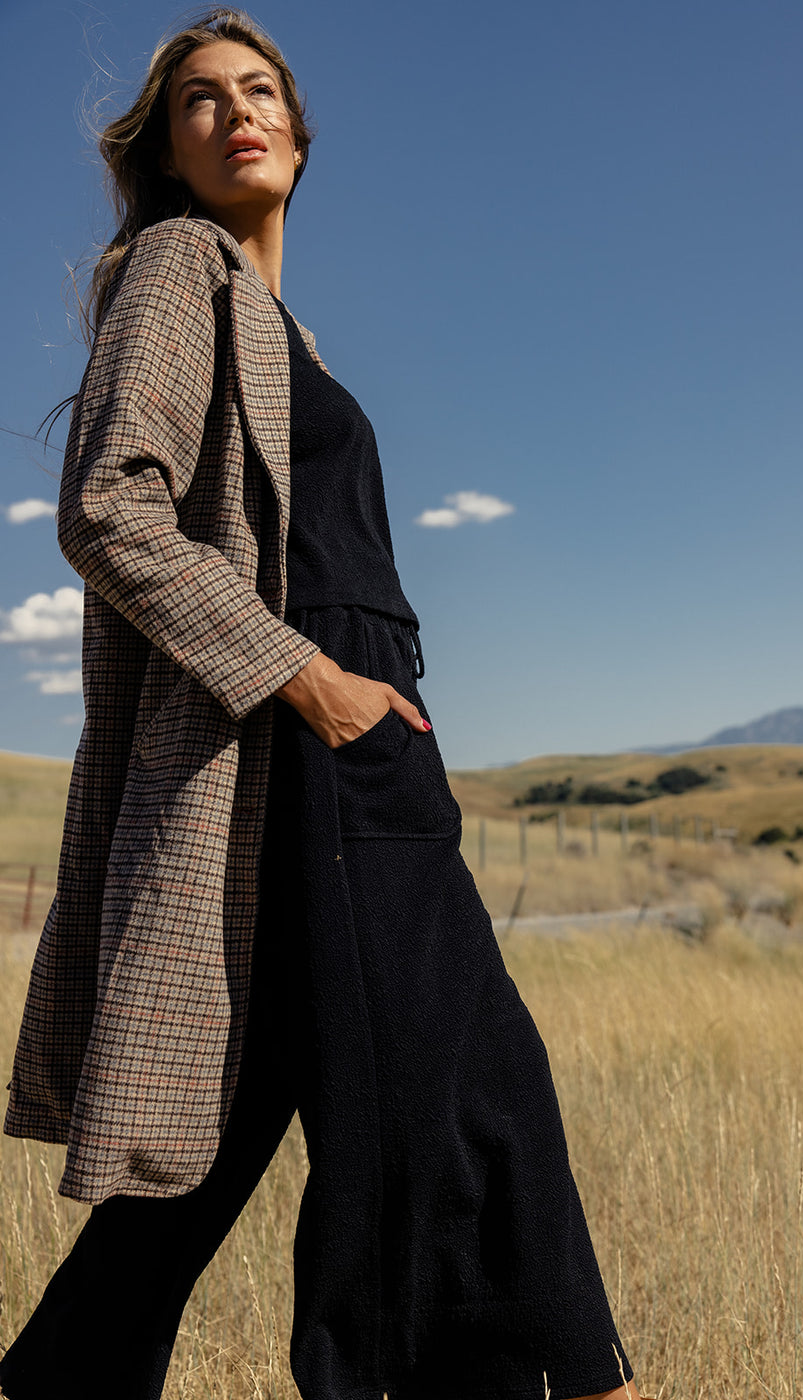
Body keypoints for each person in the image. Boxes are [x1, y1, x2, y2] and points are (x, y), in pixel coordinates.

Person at [0, 10, 648, 1400]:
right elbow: (110, 511)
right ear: (165, 150)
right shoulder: (179, 265)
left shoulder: (281, 318)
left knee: (232, 1124)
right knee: (469, 1093)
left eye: (260, 90)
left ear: (299, 128)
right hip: (303, 734)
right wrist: (314, 683)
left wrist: (373, 704)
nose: (237, 112)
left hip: (350, 731)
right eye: (197, 100)